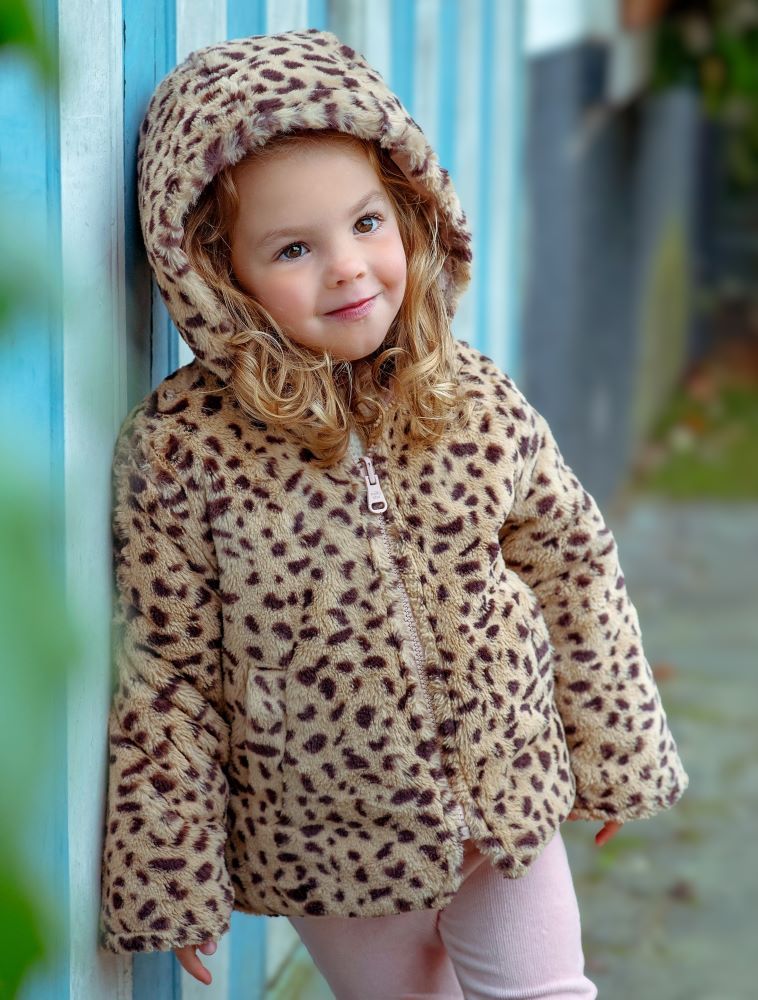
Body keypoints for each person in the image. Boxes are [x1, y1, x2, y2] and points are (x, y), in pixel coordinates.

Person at [98, 28, 689, 999]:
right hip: (331, 841)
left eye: (366, 222)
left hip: (501, 796)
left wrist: (613, 746)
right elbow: (167, 671)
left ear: (411, 209)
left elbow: (572, 558)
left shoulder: (468, 397)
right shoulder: (181, 454)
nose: (347, 267)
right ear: (218, 272)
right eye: (294, 248)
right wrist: (174, 876)